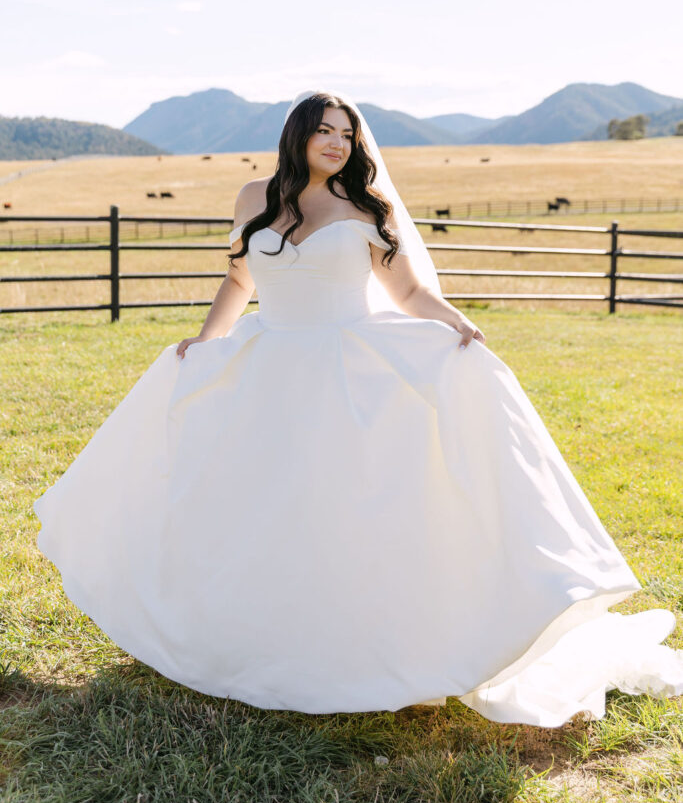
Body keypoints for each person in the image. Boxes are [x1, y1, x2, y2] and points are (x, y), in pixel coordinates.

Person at [34, 89, 683, 727]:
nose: (336, 142)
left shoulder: (365, 205)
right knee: (258, 501)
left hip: (347, 370)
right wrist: (204, 345)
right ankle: (259, 634)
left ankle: (365, 644)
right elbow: (238, 281)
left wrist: (457, 325)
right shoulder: (253, 198)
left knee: (344, 504)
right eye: (324, 130)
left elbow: (405, 293)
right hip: (269, 364)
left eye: (346, 133)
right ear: (298, 134)